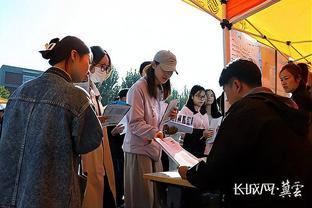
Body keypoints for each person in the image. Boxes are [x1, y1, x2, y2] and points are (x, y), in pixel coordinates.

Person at [179, 59, 312, 208]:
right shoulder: (284, 107)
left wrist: (190, 173)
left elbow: (217, 169)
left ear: (236, 85)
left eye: (226, 92)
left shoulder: (244, 112)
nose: (227, 99)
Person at [0, 36, 103, 208]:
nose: (89, 69)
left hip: (10, 195)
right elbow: (91, 141)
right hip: (52, 197)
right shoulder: (76, 96)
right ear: (74, 55)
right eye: (89, 61)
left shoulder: (18, 92)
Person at [122, 50, 178, 208]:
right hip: (138, 151)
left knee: (155, 200)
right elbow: (134, 123)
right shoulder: (138, 88)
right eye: (165, 70)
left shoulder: (159, 89)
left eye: (171, 72)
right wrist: (156, 132)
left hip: (155, 150)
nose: (167, 74)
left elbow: (156, 121)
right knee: (142, 199)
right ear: (154, 65)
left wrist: (168, 117)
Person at [81, 46, 117, 208]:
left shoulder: (95, 93)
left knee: (105, 190)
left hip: (101, 152)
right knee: (91, 194)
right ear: (90, 63)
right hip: (88, 153)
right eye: (102, 66)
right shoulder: (80, 89)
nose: (104, 71)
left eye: (107, 67)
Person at [107, 88, 129, 208]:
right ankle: (116, 200)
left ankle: (120, 199)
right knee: (116, 174)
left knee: (123, 176)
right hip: (114, 150)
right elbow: (106, 132)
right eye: (126, 98)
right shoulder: (113, 110)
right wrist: (113, 132)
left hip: (124, 149)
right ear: (120, 99)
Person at [179, 85, 213, 158]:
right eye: (198, 96)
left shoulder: (204, 113)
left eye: (203, 96)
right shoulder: (185, 110)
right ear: (192, 96)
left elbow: (206, 130)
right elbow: (182, 131)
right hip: (189, 149)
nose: (201, 99)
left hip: (203, 149)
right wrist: (202, 133)